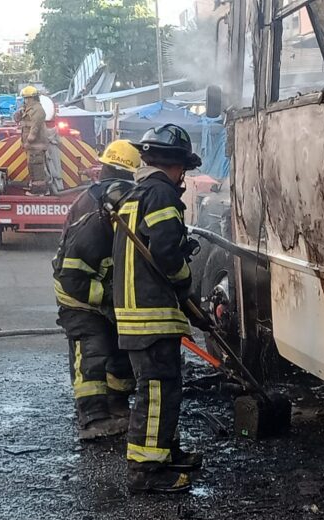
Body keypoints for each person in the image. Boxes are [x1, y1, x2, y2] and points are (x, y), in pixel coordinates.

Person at [112, 124, 206, 494]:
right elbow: (168, 253)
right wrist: (185, 284)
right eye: (184, 170)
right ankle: (146, 471)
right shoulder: (162, 195)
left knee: (165, 389)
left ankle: (164, 452)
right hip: (150, 313)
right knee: (156, 391)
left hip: (139, 313)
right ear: (176, 166)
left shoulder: (136, 195)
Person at [52, 140, 142, 440]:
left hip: (103, 290)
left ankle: (116, 407)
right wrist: (109, 299)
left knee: (119, 348)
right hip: (79, 297)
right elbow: (72, 279)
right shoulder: (96, 217)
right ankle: (92, 420)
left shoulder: (111, 203)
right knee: (92, 350)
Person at [16, 85, 49, 196]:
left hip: (36, 146)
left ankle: (39, 191)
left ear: (31, 98)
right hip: (31, 147)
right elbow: (17, 120)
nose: (24, 101)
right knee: (32, 168)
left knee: (37, 169)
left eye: (25, 98)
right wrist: (19, 113)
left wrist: (28, 141)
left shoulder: (38, 110)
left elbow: (34, 128)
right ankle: (35, 188)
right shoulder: (28, 109)